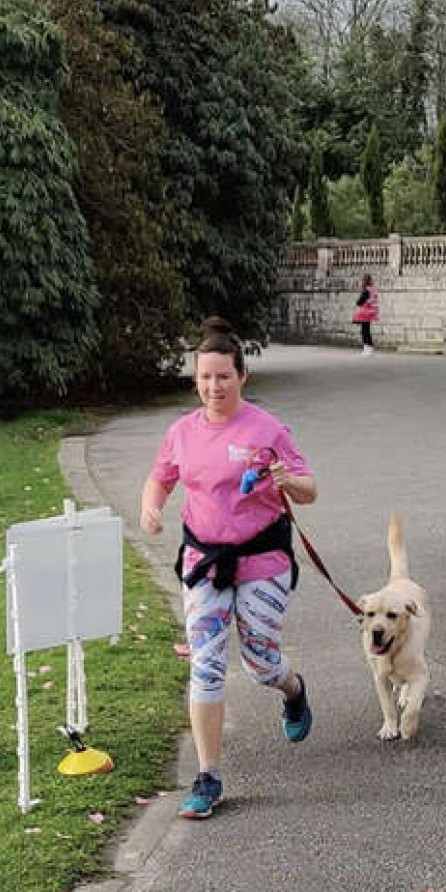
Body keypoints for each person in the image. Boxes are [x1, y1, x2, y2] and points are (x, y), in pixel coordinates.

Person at [139, 318, 317, 819]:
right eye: (204, 378)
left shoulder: (268, 430)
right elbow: (159, 480)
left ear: (242, 377)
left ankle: (293, 690)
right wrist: (150, 508)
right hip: (204, 562)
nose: (213, 387)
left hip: (262, 560)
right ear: (195, 380)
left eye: (223, 376)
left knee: (261, 662)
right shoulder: (181, 432)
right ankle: (208, 776)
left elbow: (309, 489)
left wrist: (287, 478)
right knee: (207, 663)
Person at [352, 274, 379, 355]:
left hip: (365, 313)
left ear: (364, 281)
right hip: (371, 312)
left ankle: (367, 348)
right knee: (367, 330)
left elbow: (359, 302)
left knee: (364, 331)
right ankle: (369, 348)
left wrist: (359, 299)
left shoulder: (366, 290)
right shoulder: (373, 290)